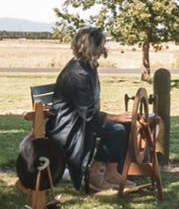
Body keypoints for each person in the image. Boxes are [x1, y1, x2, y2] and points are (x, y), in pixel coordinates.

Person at [45, 26, 129, 192]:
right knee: (116, 128)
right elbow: (88, 113)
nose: (104, 49)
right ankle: (94, 174)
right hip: (70, 126)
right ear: (92, 47)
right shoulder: (78, 73)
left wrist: (119, 118)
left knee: (126, 125)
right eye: (101, 45)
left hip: (80, 120)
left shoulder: (87, 67)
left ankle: (112, 173)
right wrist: (117, 117)